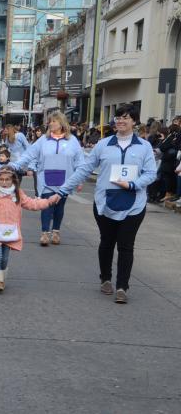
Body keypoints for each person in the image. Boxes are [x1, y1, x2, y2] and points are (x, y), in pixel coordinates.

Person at [57, 104, 157, 304]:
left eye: (125, 117)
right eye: (118, 117)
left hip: (134, 204)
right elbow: (84, 169)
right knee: (107, 242)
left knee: (126, 246)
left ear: (134, 121)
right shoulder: (103, 145)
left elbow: (151, 173)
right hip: (104, 203)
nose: (120, 121)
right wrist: (63, 189)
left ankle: (122, 287)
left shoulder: (144, 146)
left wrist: (132, 184)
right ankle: (105, 279)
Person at [11, 111, 85, 246]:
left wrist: (80, 180)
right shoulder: (43, 140)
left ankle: (56, 231)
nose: (50, 124)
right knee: (46, 206)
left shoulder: (72, 141)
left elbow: (80, 161)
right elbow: (29, 154)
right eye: (49, 121)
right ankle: (45, 233)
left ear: (62, 123)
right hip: (46, 179)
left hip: (65, 179)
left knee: (59, 206)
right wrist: (15, 166)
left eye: (54, 121)